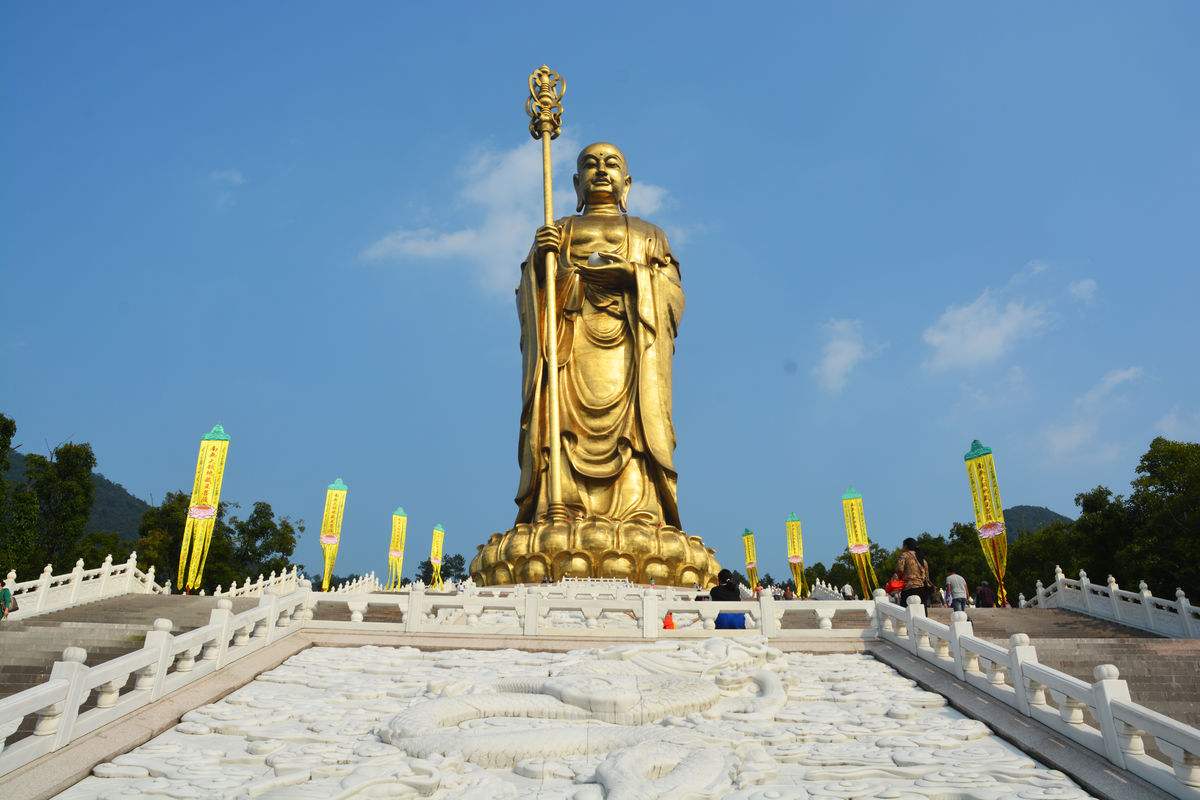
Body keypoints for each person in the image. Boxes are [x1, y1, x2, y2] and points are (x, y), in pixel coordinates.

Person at [892, 538, 928, 608]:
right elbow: (926, 575)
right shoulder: (922, 558)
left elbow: (899, 570)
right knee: (922, 612)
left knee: (907, 612)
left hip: (909, 588)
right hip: (922, 588)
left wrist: (895, 582)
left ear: (906, 546)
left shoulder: (904, 555)